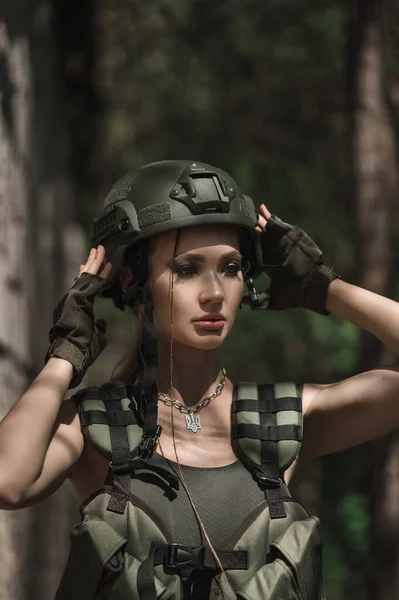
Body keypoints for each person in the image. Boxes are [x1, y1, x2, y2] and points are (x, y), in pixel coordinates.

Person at [1, 160, 399, 600]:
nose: (214, 292)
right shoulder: (96, 424)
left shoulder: (283, 420)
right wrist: (64, 357)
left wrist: (325, 290)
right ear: (135, 279)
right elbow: (9, 481)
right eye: (187, 269)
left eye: (230, 268)